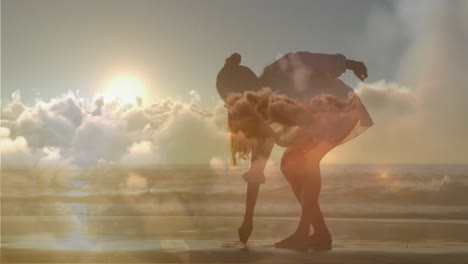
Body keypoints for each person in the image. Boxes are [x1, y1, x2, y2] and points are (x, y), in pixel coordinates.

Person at [216, 52, 373, 250]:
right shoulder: (261, 116)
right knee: (289, 164)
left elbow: (309, 59)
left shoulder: (279, 70)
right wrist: (248, 220)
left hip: (339, 107)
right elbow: (256, 169)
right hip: (317, 121)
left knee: (306, 161)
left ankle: (304, 232)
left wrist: (350, 64)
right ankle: (320, 232)